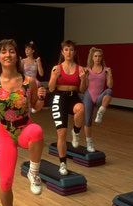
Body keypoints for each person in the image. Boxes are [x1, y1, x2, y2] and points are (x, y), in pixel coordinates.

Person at [0, 39, 47, 206]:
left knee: (37, 131)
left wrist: (42, 97)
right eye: (3, 52)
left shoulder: (29, 82)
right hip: (5, 133)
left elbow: (36, 107)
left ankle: (33, 172)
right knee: (5, 181)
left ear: (16, 56)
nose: (7, 54)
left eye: (11, 51)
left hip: (24, 128)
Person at [48, 40, 88, 175]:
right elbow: (51, 88)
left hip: (73, 97)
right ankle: (63, 163)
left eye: (71, 49)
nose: (69, 52)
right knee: (62, 134)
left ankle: (76, 132)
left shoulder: (80, 68)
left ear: (74, 52)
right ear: (62, 52)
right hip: (59, 98)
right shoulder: (57, 67)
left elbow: (82, 90)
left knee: (81, 109)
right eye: (66, 49)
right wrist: (54, 76)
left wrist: (83, 79)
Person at [82, 47, 113, 152]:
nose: (98, 58)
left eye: (99, 56)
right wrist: (84, 76)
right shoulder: (87, 69)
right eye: (95, 56)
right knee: (87, 121)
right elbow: (85, 87)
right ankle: (89, 143)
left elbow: (110, 85)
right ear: (92, 57)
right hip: (89, 96)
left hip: (99, 97)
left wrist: (110, 75)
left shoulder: (106, 70)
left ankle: (101, 112)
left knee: (109, 91)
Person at [21, 41, 44, 113]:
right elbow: (20, 73)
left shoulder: (36, 61)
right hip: (25, 81)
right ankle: (25, 106)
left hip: (34, 81)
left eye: (28, 49)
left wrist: (39, 63)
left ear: (33, 51)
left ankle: (33, 105)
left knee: (36, 86)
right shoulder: (23, 61)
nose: (26, 51)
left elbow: (41, 74)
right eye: (25, 49)